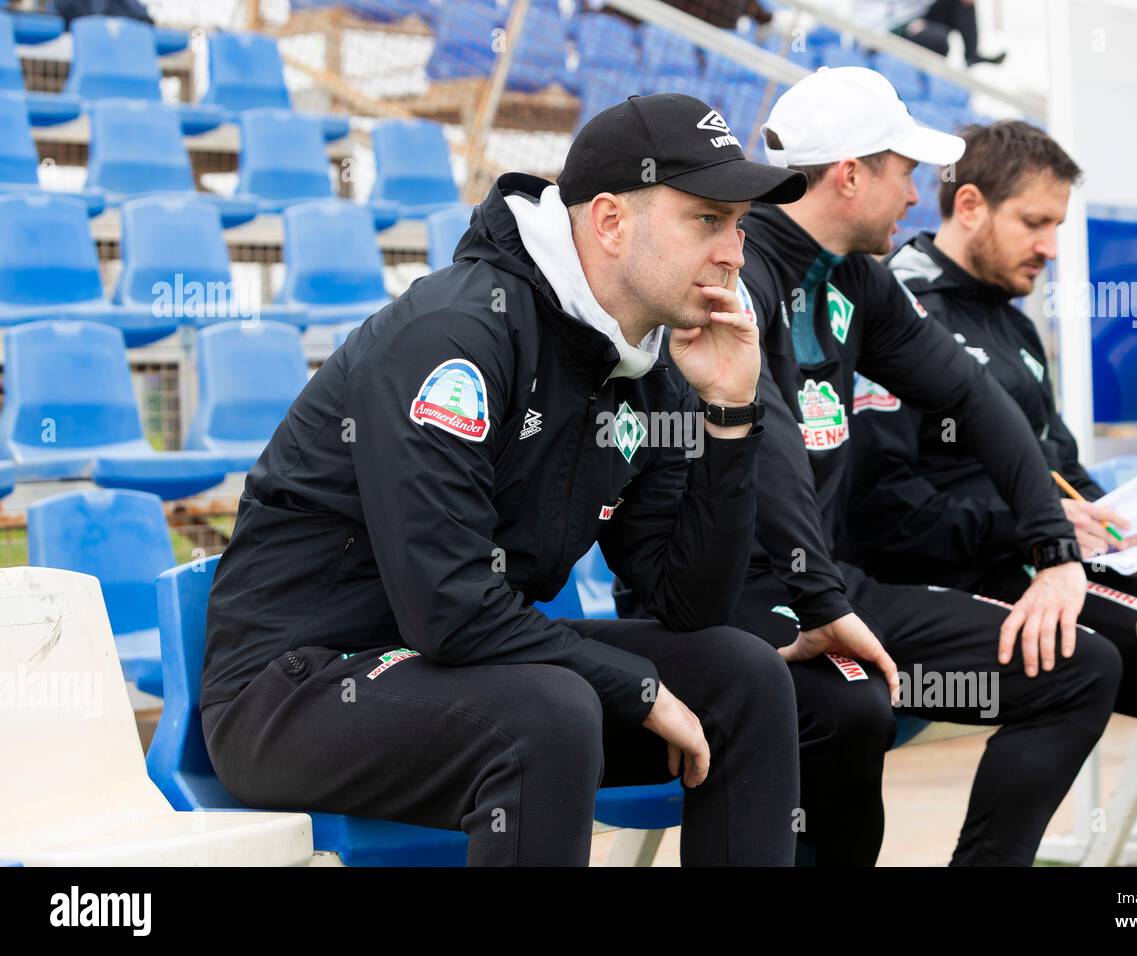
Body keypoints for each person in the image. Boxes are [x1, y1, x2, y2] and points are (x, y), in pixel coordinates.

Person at [200, 93, 807, 867]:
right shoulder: (455, 333)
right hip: (298, 688)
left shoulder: (648, 368)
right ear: (612, 222)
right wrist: (639, 689)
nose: (735, 253)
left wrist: (728, 416)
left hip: (460, 671)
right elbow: (448, 606)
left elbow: (691, 604)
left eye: (739, 226)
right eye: (706, 221)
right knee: (548, 712)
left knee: (742, 676)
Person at [620, 67, 1122, 867]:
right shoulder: (735, 272)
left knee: (1079, 666)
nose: (917, 196)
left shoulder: (858, 277)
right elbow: (767, 443)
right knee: (853, 711)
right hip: (721, 601)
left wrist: (1054, 551)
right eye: (905, 171)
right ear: (850, 174)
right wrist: (817, 596)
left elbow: (974, 394)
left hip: (833, 587)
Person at [847, 119, 1137, 865]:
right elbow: (883, 509)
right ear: (968, 207)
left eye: (1057, 224)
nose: (1052, 247)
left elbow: (1057, 463)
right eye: (1035, 223)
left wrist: (1106, 518)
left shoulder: (1015, 326)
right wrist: (1032, 528)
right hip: (968, 578)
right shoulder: (899, 307)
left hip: (1059, 556)